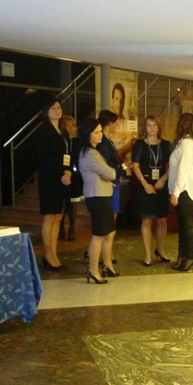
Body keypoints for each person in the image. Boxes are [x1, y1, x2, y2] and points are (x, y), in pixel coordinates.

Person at [78, 117, 119, 284]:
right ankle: (93, 270)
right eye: (96, 132)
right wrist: (109, 174)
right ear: (88, 134)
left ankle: (107, 264)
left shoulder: (93, 151)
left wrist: (106, 176)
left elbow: (106, 174)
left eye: (101, 131)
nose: (100, 135)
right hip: (97, 197)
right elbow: (111, 173)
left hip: (101, 195)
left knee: (110, 231)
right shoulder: (91, 154)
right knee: (99, 234)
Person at [33, 97, 71, 271]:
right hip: (49, 179)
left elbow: (67, 157)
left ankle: (54, 254)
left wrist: (68, 171)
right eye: (53, 108)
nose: (57, 110)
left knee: (58, 217)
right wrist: (61, 173)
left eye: (59, 107)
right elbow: (44, 158)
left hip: (63, 178)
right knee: (50, 216)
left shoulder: (63, 132)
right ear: (46, 111)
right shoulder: (43, 131)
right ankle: (48, 255)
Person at [131, 116, 171, 266]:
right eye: (149, 125)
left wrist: (163, 179)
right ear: (145, 128)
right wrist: (144, 183)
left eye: (154, 125)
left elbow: (172, 165)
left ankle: (160, 249)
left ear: (159, 127)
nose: (152, 128)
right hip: (145, 184)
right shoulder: (139, 144)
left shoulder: (166, 145)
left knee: (162, 220)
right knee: (147, 220)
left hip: (161, 184)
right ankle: (147, 254)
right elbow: (135, 165)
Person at [168, 112, 193, 272]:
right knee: (182, 225)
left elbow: (183, 170)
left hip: (185, 189)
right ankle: (182, 255)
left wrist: (175, 192)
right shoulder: (183, 143)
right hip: (182, 189)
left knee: (187, 225)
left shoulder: (187, 144)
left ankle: (190, 256)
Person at [96, 109, 128, 266]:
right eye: (115, 123)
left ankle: (105, 251)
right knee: (109, 219)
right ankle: (105, 253)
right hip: (109, 182)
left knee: (112, 217)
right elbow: (106, 164)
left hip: (114, 180)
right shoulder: (103, 142)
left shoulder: (108, 140)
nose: (117, 126)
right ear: (109, 123)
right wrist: (120, 169)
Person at [58, 115, 82, 242]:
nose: (71, 128)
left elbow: (78, 158)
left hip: (75, 176)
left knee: (73, 203)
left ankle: (71, 229)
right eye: (68, 125)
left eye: (73, 126)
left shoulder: (78, 142)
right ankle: (61, 227)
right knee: (62, 203)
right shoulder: (61, 140)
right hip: (62, 174)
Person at [107, 82, 134, 162]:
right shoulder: (107, 125)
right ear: (112, 100)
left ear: (124, 102)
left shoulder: (128, 124)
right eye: (116, 99)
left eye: (121, 100)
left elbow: (130, 148)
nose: (119, 104)